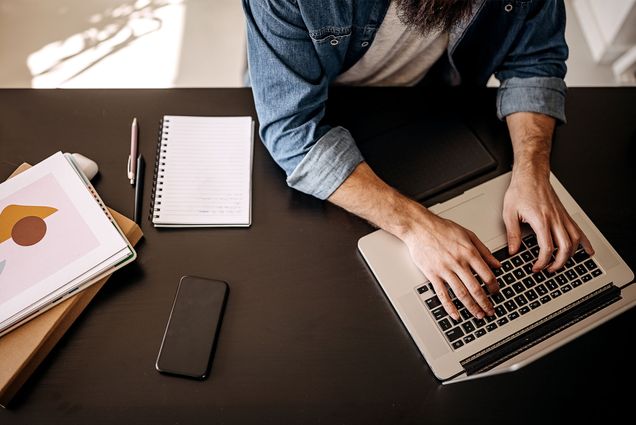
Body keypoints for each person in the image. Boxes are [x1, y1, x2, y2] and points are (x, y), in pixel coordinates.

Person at [241, 0, 594, 321]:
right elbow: (292, 128)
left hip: (434, 107)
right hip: (318, 106)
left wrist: (532, 172)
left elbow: (534, 62)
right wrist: (416, 227)